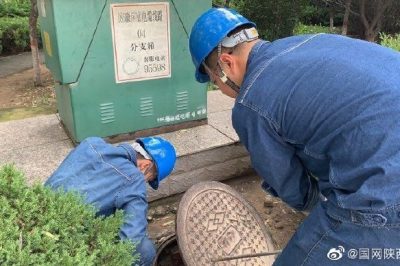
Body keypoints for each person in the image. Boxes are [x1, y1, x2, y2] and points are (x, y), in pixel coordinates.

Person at [189, 7, 400, 266]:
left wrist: (316, 206)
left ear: (226, 65)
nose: (220, 90)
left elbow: (295, 189)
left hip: (384, 187)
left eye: (214, 81)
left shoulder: (250, 103)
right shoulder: (310, 41)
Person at [45, 136, 176, 266]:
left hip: (39, 210)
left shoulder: (91, 143)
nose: (145, 181)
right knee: (146, 251)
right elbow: (132, 240)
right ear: (145, 166)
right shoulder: (134, 179)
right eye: (149, 177)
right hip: (64, 240)